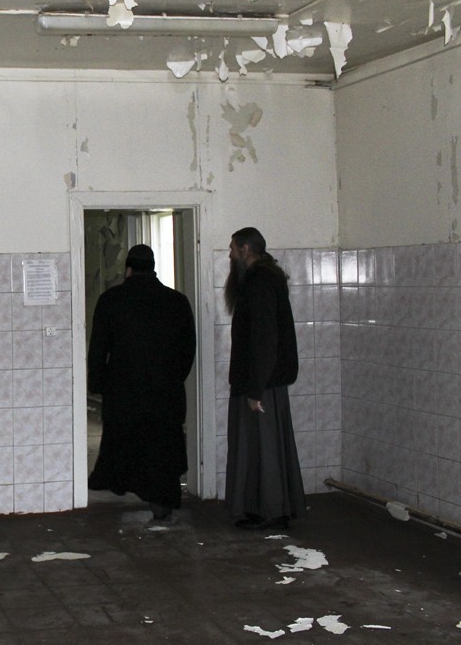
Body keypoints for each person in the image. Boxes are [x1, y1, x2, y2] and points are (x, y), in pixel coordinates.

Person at [87, 244, 197, 521]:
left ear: (128, 269)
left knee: (126, 448)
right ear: (153, 268)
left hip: (124, 393)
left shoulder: (111, 300)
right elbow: (187, 350)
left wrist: (98, 384)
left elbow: (98, 349)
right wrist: (173, 379)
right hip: (165, 394)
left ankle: (123, 487)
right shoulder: (177, 302)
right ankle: (161, 505)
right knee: (161, 454)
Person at [224, 227, 306, 531]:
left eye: (232, 248)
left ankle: (268, 510)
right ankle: (273, 507)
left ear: (245, 249)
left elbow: (263, 339)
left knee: (261, 447)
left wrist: (255, 390)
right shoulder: (267, 279)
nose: (230, 254)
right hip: (267, 379)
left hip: (261, 382)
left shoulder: (258, 283)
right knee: (268, 446)